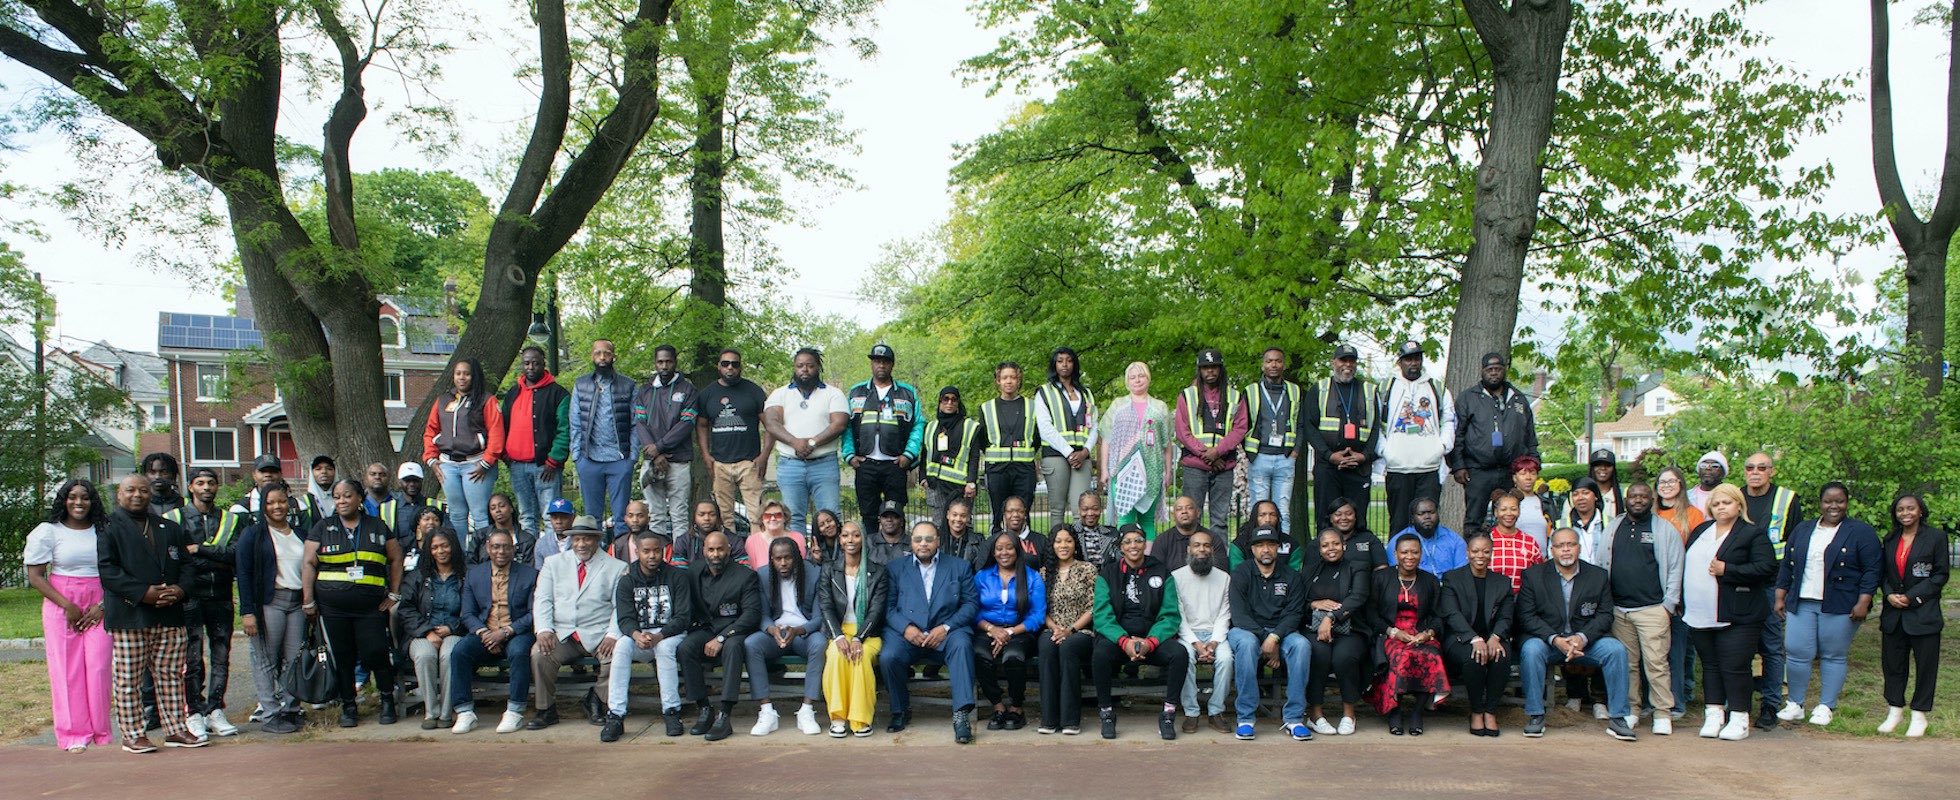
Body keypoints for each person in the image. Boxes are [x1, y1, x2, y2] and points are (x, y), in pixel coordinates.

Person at [99, 475, 205, 753]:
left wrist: (180, 590)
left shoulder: (168, 527)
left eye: (143, 490)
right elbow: (108, 570)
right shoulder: (108, 527)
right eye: (130, 490)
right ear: (119, 494)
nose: (137, 495)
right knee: (128, 680)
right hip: (130, 615)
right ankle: (133, 734)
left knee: (171, 675)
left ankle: (176, 730)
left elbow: (188, 566)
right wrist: (144, 593)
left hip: (170, 615)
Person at [1774, 482, 1879, 727]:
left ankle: (1825, 706)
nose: (1834, 506)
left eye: (1839, 501)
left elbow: (1872, 570)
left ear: (1847, 502)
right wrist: (1780, 596)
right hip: (1802, 601)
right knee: (1797, 652)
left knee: (1833, 655)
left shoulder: (1861, 532)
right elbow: (1787, 565)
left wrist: (1864, 601)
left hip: (1841, 604)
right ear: (1820, 503)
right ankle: (1796, 704)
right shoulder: (1803, 529)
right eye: (1828, 501)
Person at [1517, 528, 1637, 741]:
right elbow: (1527, 616)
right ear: (1551, 549)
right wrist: (1555, 639)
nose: (1565, 550)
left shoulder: (1598, 576)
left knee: (1615, 650)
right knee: (1531, 649)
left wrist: (1582, 638)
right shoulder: (1533, 575)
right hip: (1549, 640)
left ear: (1579, 548)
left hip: (1585, 641)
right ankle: (1535, 714)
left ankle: (1618, 717)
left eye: (1570, 544)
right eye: (1560, 546)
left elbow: (1604, 615)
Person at [303, 479, 405, 728]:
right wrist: (308, 600)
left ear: (360, 498)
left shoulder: (377, 526)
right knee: (343, 657)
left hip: (370, 608)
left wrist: (393, 594)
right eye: (337, 497)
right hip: (333, 609)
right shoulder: (322, 527)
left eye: (347, 496)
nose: (341, 501)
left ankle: (386, 700)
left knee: (376, 654)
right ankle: (349, 705)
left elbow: (396, 558)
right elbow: (308, 563)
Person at [1683, 483, 1777, 741]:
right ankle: (1714, 713)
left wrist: (1730, 570)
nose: (1721, 507)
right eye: (1716, 503)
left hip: (1738, 614)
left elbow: (1767, 567)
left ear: (1739, 505)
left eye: (1727, 502)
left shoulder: (1751, 534)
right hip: (1700, 612)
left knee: (1735, 666)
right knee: (1711, 665)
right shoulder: (1701, 530)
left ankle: (1739, 717)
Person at [25, 479, 112, 752]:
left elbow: (118, 571)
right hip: (61, 602)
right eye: (72, 497)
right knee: (67, 670)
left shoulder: (104, 530)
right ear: (63, 500)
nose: (78, 503)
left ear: (93, 501)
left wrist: (103, 605)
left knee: (99, 667)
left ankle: (101, 733)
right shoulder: (48, 532)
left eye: (84, 497)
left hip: (98, 602)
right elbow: (35, 576)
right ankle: (74, 734)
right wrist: (67, 605)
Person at [879, 521, 981, 743]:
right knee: (888, 656)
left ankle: (961, 715)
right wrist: (906, 628)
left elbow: (970, 604)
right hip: (908, 634)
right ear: (911, 542)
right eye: (917, 539)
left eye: (928, 539)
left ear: (938, 541)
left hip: (946, 632)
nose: (923, 544)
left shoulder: (959, 566)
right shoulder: (895, 568)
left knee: (962, 645)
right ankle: (900, 710)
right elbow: (887, 607)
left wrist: (946, 628)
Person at [1597, 482, 1683, 735]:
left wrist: (1669, 605)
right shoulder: (1614, 527)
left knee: (1656, 663)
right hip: (1619, 610)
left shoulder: (1664, 529)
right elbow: (1603, 563)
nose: (1637, 500)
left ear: (1651, 499)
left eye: (1643, 496)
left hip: (1653, 609)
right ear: (1626, 499)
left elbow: (1676, 568)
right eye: (1633, 496)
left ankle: (1662, 712)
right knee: (1629, 665)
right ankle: (1632, 710)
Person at [167, 467, 246, 738]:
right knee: (193, 657)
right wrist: (213, 559)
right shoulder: (174, 518)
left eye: (211, 483)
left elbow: (235, 555)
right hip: (190, 597)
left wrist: (200, 550)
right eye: (200, 483)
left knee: (221, 655)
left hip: (221, 595)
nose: (206, 487)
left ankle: (215, 709)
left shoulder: (231, 519)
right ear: (190, 487)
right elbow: (176, 558)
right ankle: (194, 712)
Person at [526, 515, 625, 729]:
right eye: (577, 539)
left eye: (587, 539)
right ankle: (546, 709)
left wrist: (612, 635)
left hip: (599, 633)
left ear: (597, 539)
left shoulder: (616, 567)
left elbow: (621, 606)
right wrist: (544, 629)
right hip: (563, 633)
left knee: (616, 656)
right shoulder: (553, 563)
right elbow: (543, 598)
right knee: (539, 653)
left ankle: (597, 700)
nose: (581, 544)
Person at [1088, 524, 1186, 740]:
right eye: (1128, 541)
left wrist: (1150, 642)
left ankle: (1168, 713)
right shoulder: (1108, 574)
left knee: (1179, 654)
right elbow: (1102, 616)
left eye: (1139, 540)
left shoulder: (1162, 572)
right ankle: (1106, 712)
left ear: (1145, 544)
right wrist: (1124, 641)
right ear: (1121, 547)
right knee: (1100, 654)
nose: (1134, 545)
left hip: (1151, 639)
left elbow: (1170, 615)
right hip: (1118, 639)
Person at [602, 529, 693, 741]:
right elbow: (624, 618)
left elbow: (683, 617)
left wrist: (660, 635)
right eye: (646, 551)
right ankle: (615, 715)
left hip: (671, 634)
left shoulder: (677, 577)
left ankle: (671, 711)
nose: (652, 556)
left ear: (663, 551)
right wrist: (635, 635)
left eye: (656, 551)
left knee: (663, 648)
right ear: (637, 552)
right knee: (622, 647)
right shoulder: (626, 581)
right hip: (640, 636)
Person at [449, 530, 539, 735]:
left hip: (516, 631)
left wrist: (506, 632)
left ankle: (515, 711)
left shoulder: (529, 574)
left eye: (506, 546)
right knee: (459, 652)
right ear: (488, 548)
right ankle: (464, 712)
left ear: (513, 549)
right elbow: (468, 613)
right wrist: (483, 633)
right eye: (496, 546)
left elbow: (533, 613)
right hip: (485, 631)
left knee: (519, 653)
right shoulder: (475, 574)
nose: (501, 551)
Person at [236, 482, 309, 734]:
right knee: (266, 659)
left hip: (296, 603)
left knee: (293, 660)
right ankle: (270, 713)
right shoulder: (253, 534)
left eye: (281, 501)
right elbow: (243, 574)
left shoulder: (300, 533)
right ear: (263, 506)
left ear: (289, 503)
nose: (277, 506)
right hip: (269, 603)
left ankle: (290, 709)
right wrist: (247, 612)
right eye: (271, 502)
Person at [1227, 526, 1312, 741]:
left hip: (1281, 633)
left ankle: (1294, 718)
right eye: (1260, 545)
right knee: (1246, 644)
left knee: (1301, 646)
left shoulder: (1291, 576)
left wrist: (1275, 638)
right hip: (1247, 630)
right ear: (1253, 549)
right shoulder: (1241, 574)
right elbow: (1239, 615)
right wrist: (1266, 638)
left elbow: (1294, 613)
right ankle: (1245, 718)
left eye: (1271, 545)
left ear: (1278, 547)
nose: (1266, 549)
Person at [680, 530, 762, 742]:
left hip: (735, 629)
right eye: (711, 549)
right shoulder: (694, 571)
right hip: (706, 629)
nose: (716, 554)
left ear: (729, 550)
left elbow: (752, 614)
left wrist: (722, 638)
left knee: (733, 648)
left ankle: (725, 713)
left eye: (720, 549)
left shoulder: (745, 576)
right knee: (685, 648)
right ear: (704, 551)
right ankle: (704, 708)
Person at [1739, 451, 1800, 729]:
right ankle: (1737, 704)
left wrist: (1786, 588)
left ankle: (1769, 706)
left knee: (1771, 649)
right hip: (1738, 583)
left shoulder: (1787, 499)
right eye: (1750, 467)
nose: (1756, 472)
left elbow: (1795, 547)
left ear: (1771, 471)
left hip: (1772, 585)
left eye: (1762, 467)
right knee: (1738, 648)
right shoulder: (1734, 496)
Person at [1878, 493, 1947, 737]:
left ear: (1920, 511)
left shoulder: (1936, 537)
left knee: (1926, 666)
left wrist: (1913, 596)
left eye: (1910, 509)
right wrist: (1888, 595)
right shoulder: (1889, 539)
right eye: (1900, 510)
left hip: (1923, 613)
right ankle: (1894, 709)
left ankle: (1919, 715)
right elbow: (1883, 574)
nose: (1905, 513)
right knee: (1893, 665)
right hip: (1893, 614)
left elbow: (1940, 575)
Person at [1450, 352, 1539, 536]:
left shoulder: (1518, 399)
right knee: (1475, 519)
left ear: (1504, 370)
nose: (1494, 373)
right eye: (1489, 369)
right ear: (1482, 371)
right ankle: (1475, 559)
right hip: (1478, 470)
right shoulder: (1469, 398)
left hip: (1510, 471)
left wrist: (1534, 462)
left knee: (1510, 516)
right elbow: (1457, 434)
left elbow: (1529, 434)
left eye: (1498, 369)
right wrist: (1458, 465)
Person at [746, 536, 827, 736]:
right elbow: (763, 615)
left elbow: (819, 618)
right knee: (751, 644)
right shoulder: (763, 575)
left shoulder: (814, 574)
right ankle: (767, 712)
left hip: (804, 633)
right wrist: (772, 630)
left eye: (788, 558)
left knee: (820, 643)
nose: (782, 563)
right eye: (777, 558)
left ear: (797, 557)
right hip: (775, 633)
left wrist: (797, 631)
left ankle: (807, 710)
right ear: (771, 559)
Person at [1370, 536, 1448, 736]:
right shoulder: (1381, 578)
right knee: (1401, 656)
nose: (1409, 557)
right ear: (1395, 554)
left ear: (1421, 554)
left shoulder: (1430, 581)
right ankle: (1395, 712)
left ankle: (1416, 713)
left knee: (1430, 655)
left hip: (1421, 633)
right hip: (1390, 633)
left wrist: (1428, 633)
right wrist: (1393, 631)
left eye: (1415, 552)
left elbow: (1438, 615)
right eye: (1404, 552)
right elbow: (1370, 613)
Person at [767, 347, 850, 534]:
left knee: (830, 516)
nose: (805, 370)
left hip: (824, 464)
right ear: (794, 368)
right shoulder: (780, 394)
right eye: (800, 366)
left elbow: (839, 424)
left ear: (818, 367)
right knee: (792, 516)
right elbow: (771, 423)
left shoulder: (833, 393)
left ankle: (831, 561)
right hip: (790, 465)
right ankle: (799, 559)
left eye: (810, 365)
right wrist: (794, 442)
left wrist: (812, 442)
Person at [818, 518, 888, 737]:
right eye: (846, 535)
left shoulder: (878, 572)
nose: (851, 540)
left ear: (863, 539)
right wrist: (838, 637)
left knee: (861, 657)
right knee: (836, 656)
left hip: (868, 633)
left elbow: (876, 611)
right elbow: (826, 605)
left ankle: (860, 719)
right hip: (839, 631)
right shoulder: (829, 569)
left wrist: (859, 637)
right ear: (840, 539)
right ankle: (838, 718)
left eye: (856, 535)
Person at [1441, 532, 1516, 737]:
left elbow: (1506, 616)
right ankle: (1476, 710)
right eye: (1475, 551)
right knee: (1474, 658)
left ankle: (1490, 711)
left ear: (1492, 553)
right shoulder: (1452, 578)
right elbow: (1451, 613)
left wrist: (1495, 637)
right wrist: (1474, 639)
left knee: (1501, 657)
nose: (1480, 555)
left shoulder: (1502, 582)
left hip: (1494, 637)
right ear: (1467, 553)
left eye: (1485, 551)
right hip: (1461, 638)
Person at [843, 343, 922, 535]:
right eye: (877, 361)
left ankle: (898, 556)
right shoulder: (856, 392)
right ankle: (871, 556)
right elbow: (846, 426)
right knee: (868, 514)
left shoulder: (907, 392)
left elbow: (918, 425)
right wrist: (849, 455)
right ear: (871, 364)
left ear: (892, 365)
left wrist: (908, 455)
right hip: (865, 464)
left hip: (895, 464)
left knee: (895, 514)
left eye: (885, 362)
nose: (881, 365)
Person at [1378, 340, 1454, 535]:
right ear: (1400, 362)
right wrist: (1385, 452)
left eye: (1417, 358)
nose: (1413, 363)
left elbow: (1449, 420)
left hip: (1428, 469)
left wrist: (1443, 446)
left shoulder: (1437, 387)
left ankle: (1428, 565)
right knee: (1399, 523)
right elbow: (1374, 424)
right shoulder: (1385, 387)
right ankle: (1396, 564)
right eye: (1408, 359)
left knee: (1428, 525)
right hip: (1397, 469)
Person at [973, 529, 1047, 730]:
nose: (1004, 552)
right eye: (999, 548)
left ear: (1017, 550)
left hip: (1020, 632)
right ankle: (997, 706)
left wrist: (1010, 632)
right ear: (993, 552)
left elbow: (1038, 615)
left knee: (1013, 656)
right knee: (980, 654)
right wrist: (992, 629)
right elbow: (973, 610)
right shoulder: (982, 577)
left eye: (1009, 548)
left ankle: (1016, 707)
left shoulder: (1032, 578)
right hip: (987, 630)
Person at [422, 358, 506, 534]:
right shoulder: (443, 400)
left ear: (474, 376)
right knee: (457, 515)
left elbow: (497, 433)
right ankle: (461, 558)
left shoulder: (486, 400)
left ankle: (482, 556)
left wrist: (486, 462)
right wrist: (431, 459)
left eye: (466, 374)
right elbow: (431, 429)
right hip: (448, 465)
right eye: (458, 373)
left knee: (479, 514)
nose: (462, 377)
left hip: (476, 464)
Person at [397, 526, 468, 730]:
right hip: (420, 633)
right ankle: (431, 711)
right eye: (435, 547)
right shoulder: (417, 577)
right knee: (425, 656)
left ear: (453, 547)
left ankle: (446, 713)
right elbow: (406, 610)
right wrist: (427, 631)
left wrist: (452, 627)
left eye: (444, 546)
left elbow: (474, 609)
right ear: (429, 550)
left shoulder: (466, 577)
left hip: (456, 631)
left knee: (450, 655)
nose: (440, 551)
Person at [1305, 344, 1381, 533]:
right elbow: (1309, 426)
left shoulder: (1369, 391)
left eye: (1351, 361)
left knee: (1358, 520)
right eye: (1343, 360)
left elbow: (1377, 429)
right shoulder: (1320, 389)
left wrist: (1364, 456)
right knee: (1326, 519)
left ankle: (1357, 560)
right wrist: (1329, 455)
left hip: (1359, 467)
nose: (1347, 365)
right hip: (1328, 467)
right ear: (1333, 363)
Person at [1301, 528, 1369, 736]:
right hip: (1315, 629)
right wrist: (1314, 603)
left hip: (1350, 629)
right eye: (1325, 545)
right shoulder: (1311, 570)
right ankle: (1315, 714)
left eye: (1335, 544)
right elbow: (1298, 601)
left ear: (1344, 545)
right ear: (1319, 549)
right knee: (1318, 654)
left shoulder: (1358, 567)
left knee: (1344, 657)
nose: (1331, 548)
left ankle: (1349, 713)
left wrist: (1331, 618)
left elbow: (1358, 597)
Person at [1175, 349, 1249, 537]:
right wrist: (1207, 454)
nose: (1210, 371)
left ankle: (1220, 563)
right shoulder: (1187, 395)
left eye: (1214, 367)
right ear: (1199, 370)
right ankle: (1190, 563)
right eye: (1205, 367)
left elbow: (1240, 428)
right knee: (1191, 518)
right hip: (1195, 466)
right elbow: (1183, 431)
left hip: (1224, 465)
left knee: (1220, 521)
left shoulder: (1235, 396)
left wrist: (1218, 451)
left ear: (1220, 369)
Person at [1099, 361, 1177, 538]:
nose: (1137, 380)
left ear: (1148, 378)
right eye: (1132, 377)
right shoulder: (1118, 406)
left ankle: (1147, 561)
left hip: (1152, 470)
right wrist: (1104, 470)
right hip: (1121, 470)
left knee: (1147, 520)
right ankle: (1125, 561)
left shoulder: (1160, 407)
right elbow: (1107, 439)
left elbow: (1166, 444)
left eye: (1141, 376)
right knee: (1125, 518)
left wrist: (1168, 472)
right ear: (1127, 381)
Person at [1037, 525, 1099, 735]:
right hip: (1052, 630)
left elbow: (1093, 607)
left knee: (1068, 648)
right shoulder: (1045, 573)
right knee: (1046, 648)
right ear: (1052, 545)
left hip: (1081, 632)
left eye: (1068, 541)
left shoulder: (1087, 569)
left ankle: (1070, 720)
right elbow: (1039, 608)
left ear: (1075, 544)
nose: (1063, 545)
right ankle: (1048, 719)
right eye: (1058, 541)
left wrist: (1070, 630)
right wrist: (1055, 628)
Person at [695, 347, 770, 522]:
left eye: (734, 364)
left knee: (756, 516)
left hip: (749, 462)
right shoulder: (707, 394)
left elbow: (770, 426)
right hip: (720, 462)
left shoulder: (754, 391)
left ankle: (756, 549)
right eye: (725, 364)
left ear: (740, 367)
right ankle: (729, 549)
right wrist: (706, 455)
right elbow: (701, 425)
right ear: (718, 366)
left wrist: (764, 455)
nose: (730, 368)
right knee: (724, 517)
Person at [1171, 529, 1234, 735]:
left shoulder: (1224, 578)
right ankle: (1191, 712)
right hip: (1188, 635)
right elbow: (1178, 616)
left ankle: (1216, 711)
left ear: (1212, 550)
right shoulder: (1176, 577)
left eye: (1206, 545)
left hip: (1215, 635)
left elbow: (1225, 614)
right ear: (1189, 549)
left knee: (1226, 659)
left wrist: (1214, 643)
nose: (1202, 549)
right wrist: (1196, 644)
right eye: (1197, 545)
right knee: (1184, 658)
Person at [503, 344, 571, 535]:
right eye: (526, 363)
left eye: (535, 363)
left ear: (543, 364)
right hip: (517, 465)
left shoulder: (559, 394)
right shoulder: (512, 393)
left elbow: (564, 430)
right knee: (526, 517)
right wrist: (505, 454)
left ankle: (551, 561)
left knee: (551, 517)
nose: (531, 367)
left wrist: (553, 460)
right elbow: (502, 425)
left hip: (545, 467)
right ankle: (529, 559)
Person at [1655, 465, 1705, 719]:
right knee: (1658, 649)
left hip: (1682, 588)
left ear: (1681, 485)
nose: (1666, 486)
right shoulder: (1651, 514)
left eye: (1671, 481)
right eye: (1662, 482)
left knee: (1679, 647)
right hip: (1652, 590)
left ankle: (1680, 697)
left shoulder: (1693, 515)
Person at [633, 343, 698, 536]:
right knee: (656, 514)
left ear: (675, 362)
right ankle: (657, 560)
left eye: (668, 361)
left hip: (679, 461)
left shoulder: (688, 389)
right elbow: (639, 423)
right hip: (651, 461)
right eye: (660, 362)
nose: (664, 366)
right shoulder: (644, 390)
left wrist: (659, 447)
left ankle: (678, 561)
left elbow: (687, 424)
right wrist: (654, 454)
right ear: (655, 363)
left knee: (679, 514)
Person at [1240, 347, 1305, 535]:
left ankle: (1283, 550)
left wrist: (1295, 451)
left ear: (1284, 365)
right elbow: (1242, 424)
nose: (1273, 365)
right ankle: (1258, 548)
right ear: (1263, 365)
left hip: (1285, 458)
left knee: (1282, 510)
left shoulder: (1294, 391)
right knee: (1258, 510)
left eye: (1277, 361)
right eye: (1269, 361)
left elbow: (1300, 423)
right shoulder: (1251, 391)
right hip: (1259, 457)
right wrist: (1249, 453)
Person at [1035, 347, 1099, 525]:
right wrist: (1069, 452)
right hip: (1056, 455)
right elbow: (1045, 427)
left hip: (1082, 457)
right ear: (1054, 364)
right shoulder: (1044, 392)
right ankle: (1056, 552)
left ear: (1075, 364)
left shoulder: (1086, 393)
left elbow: (1094, 426)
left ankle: (1081, 550)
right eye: (1060, 360)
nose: (1065, 364)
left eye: (1069, 360)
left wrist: (1085, 452)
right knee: (1057, 509)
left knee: (1082, 510)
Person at [978, 361, 1043, 521]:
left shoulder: (1032, 406)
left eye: (1013, 377)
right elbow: (982, 438)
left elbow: (1037, 437)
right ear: (998, 381)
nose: (1009, 381)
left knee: (1022, 515)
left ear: (1018, 380)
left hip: (1024, 468)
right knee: (999, 516)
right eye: (1004, 377)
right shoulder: (987, 407)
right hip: (997, 469)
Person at [918, 385, 981, 535]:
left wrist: (971, 483)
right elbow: (924, 454)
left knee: (962, 525)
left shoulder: (969, 426)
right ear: (939, 403)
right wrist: (922, 478)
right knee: (939, 527)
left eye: (953, 399)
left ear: (958, 403)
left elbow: (974, 457)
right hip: (935, 485)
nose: (949, 403)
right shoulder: (931, 427)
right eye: (945, 399)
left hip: (960, 487)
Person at [231, 453, 322, 529]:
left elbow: (308, 539)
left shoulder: (298, 506)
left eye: (273, 471)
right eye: (263, 471)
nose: (268, 475)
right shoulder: (241, 509)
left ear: (280, 474)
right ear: (254, 475)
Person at [1388, 498, 1467, 579]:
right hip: (1414, 587)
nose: (1427, 517)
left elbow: (1462, 574)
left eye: (1431, 512)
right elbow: (1395, 574)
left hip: (1448, 588)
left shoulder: (1455, 540)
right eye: (1421, 514)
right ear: (1412, 518)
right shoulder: (1398, 542)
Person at [1487, 492, 1546, 592]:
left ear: (1519, 511)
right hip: (1491, 601)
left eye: (1513, 509)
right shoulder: (1487, 540)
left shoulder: (1530, 543)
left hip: (1522, 601)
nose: (1509, 513)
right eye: (1503, 509)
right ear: (1496, 512)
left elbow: (1539, 575)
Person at [672, 500, 750, 569]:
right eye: (701, 514)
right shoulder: (683, 540)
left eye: (712, 514)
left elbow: (744, 570)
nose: (707, 518)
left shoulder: (733, 540)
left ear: (718, 517)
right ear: (694, 518)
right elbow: (679, 573)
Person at [1150, 495, 1216, 573]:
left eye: (1189, 508)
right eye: (1179, 509)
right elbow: (1155, 572)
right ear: (1173, 515)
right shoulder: (1162, 541)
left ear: (1198, 513)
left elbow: (1220, 571)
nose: (1184, 511)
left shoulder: (1212, 538)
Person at [469, 493, 537, 567]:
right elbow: (470, 563)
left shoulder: (526, 539)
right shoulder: (480, 536)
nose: (497, 510)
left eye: (502, 506)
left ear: (511, 508)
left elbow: (529, 569)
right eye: (493, 508)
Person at [1231, 499, 1297, 568]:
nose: (1268, 519)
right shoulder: (1239, 545)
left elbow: (1295, 575)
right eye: (1262, 515)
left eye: (1272, 515)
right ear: (1254, 518)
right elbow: (1237, 574)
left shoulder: (1291, 545)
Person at [1327, 496, 1386, 571]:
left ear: (1355, 517)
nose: (1344, 518)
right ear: (1331, 518)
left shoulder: (1370, 539)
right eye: (1338, 514)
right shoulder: (1320, 543)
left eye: (1349, 514)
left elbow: (1382, 570)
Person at [993, 495, 1050, 570]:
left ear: (1025, 514)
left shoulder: (1041, 541)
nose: (1015, 515)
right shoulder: (994, 541)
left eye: (1020, 511)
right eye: (1010, 511)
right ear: (1004, 515)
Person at [745, 500, 808, 568]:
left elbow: (801, 566)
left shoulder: (798, 538)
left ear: (785, 518)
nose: (773, 518)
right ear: (762, 519)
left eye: (778, 515)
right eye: (767, 516)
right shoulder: (752, 541)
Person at [1511, 456, 1553, 553]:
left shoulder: (1546, 503)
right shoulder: (1507, 502)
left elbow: (1554, 531)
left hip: (1542, 561)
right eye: (1523, 473)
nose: (1528, 478)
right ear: (1514, 477)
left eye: (1533, 473)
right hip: (1515, 559)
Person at [1072, 491, 1120, 566]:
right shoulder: (1071, 534)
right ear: (1079, 510)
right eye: (1085, 509)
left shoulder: (1112, 534)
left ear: (1100, 509)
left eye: (1095, 509)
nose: (1090, 513)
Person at [939, 499, 988, 570]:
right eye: (954, 515)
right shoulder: (938, 539)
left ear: (968, 517)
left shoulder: (978, 541)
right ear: (948, 515)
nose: (958, 519)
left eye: (963, 516)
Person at [530, 497, 580, 565]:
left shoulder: (581, 540)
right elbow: (539, 572)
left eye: (563, 517)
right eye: (554, 517)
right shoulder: (542, 544)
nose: (558, 521)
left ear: (573, 518)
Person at [142, 452, 184, 518]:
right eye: (152, 472)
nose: (157, 477)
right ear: (145, 476)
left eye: (164, 472)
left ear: (173, 475)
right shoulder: (139, 504)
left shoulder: (186, 505)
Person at [1687, 451, 1729, 515]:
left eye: (1714, 466)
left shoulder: (1731, 496)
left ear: (1723, 472)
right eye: (1703, 465)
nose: (1708, 468)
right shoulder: (1686, 496)